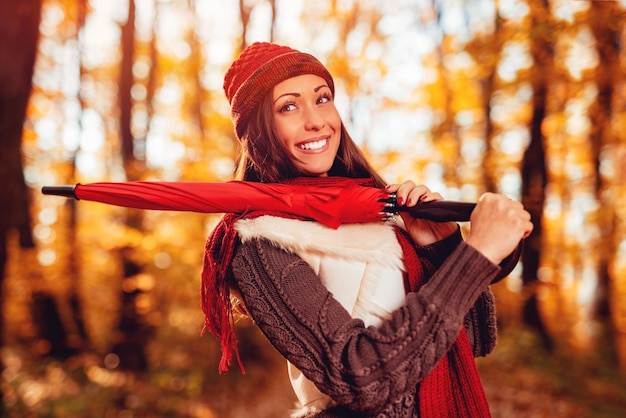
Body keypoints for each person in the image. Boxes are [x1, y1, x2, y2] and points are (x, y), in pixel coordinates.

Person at [201, 42, 533, 418]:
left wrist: (442, 248)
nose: (316, 120)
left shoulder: (378, 209)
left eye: (322, 98)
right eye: (288, 106)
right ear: (257, 130)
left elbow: (472, 338)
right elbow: (360, 379)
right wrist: (477, 256)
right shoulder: (258, 241)